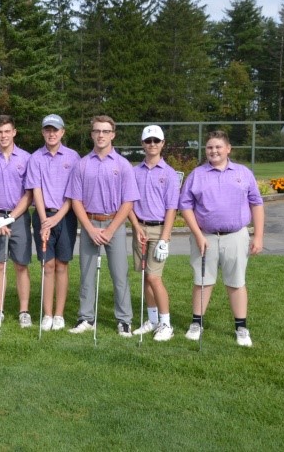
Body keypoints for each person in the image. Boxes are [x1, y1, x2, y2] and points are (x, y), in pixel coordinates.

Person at [179, 130, 264, 347]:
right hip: (204, 237)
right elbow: (185, 206)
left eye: (218, 147)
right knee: (202, 281)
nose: (214, 151)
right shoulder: (197, 174)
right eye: (209, 147)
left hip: (236, 236)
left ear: (228, 149)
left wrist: (258, 236)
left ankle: (241, 328)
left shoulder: (243, 173)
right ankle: (196, 323)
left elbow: (256, 203)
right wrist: (198, 235)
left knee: (236, 282)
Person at [67, 115, 139, 337]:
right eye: (97, 131)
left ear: (112, 135)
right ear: (92, 134)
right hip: (89, 223)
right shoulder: (82, 164)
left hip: (114, 224)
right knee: (87, 274)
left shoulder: (123, 165)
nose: (101, 135)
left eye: (105, 131)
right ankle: (86, 318)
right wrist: (89, 228)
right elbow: (75, 200)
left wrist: (110, 229)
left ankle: (124, 320)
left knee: (120, 274)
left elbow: (128, 202)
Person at [25, 114, 80, 332]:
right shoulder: (35, 158)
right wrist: (44, 220)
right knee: (47, 265)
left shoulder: (73, 157)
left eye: (55, 130)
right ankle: (47, 314)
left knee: (62, 265)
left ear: (62, 132)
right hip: (43, 215)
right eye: (47, 130)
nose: (51, 134)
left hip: (66, 216)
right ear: (42, 132)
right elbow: (36, 190)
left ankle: (59, 314)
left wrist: (57, 218)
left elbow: (74, 192)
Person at [128, 125, 180, 341]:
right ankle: (152, 320)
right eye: (148, 141)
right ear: (142, 144)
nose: (152, 144)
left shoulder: (169, 174)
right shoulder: (134, 172)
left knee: (154, 277)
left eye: (156, 141)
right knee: (144, 277)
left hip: (159, 230)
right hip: (139, 228)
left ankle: (166, 324)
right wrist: (136, 226)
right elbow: (128, 202)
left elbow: (171, 208)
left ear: (162, 143)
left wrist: (165, 239)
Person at [0, 115, 33, 328]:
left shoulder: (27, 158)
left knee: (21, 265)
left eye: (7, 131)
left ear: (14, 132)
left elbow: (29, 193)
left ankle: (24, 311)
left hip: (18, 217)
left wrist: (11, 218)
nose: (3, 136)